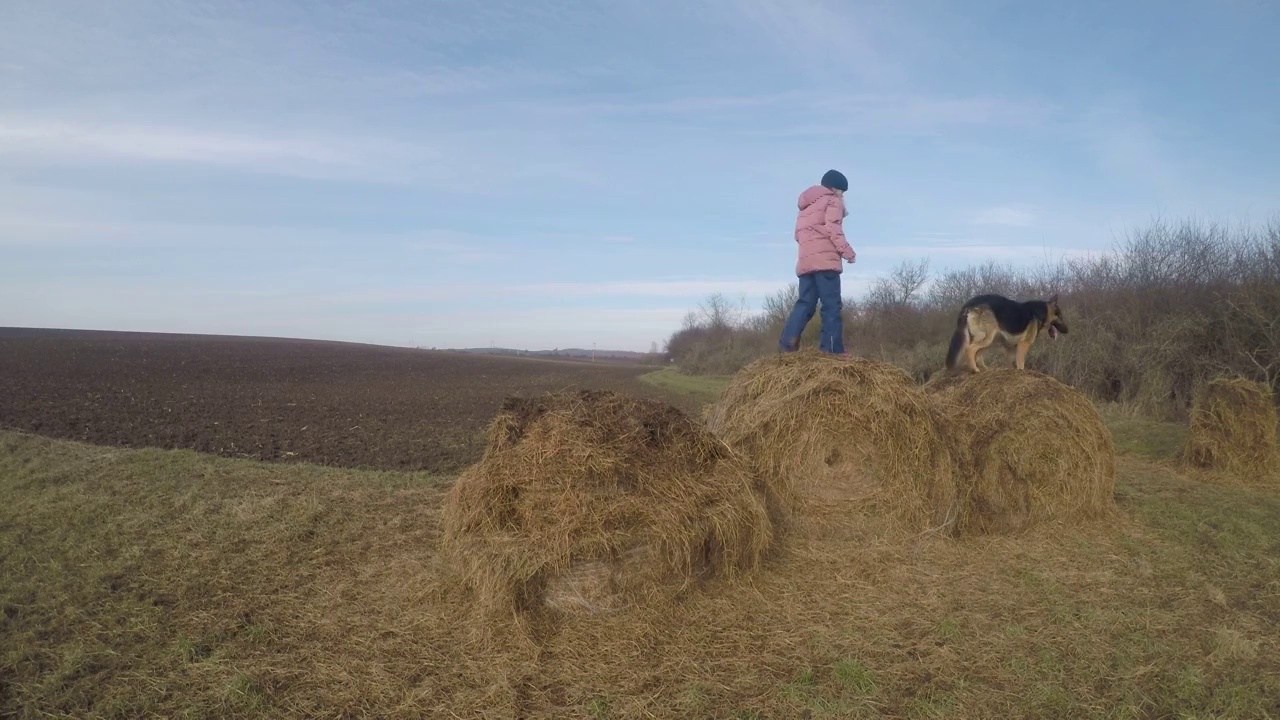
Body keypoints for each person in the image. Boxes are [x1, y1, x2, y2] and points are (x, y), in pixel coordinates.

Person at [778, 169, 856, 354]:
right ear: (834, 189)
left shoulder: (805, 208)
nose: (842, 196)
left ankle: (787, 344)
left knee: (805, 303)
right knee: (831, 306)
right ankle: (831, 350)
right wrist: (848, 252)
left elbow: (798, 236)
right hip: (826, 262)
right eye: (841, 191)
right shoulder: (833, 201)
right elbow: (833, 229)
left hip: (806, 263)